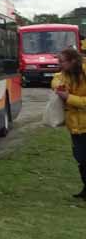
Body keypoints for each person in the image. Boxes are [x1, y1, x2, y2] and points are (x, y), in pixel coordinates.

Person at [52, 46, 86, 199]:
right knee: (80, 158)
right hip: (75, 126)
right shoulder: (65, 74)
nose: (60, 64)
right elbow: (56, 78)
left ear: (73, 61)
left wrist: (68, 98)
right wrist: (57, 86)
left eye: (62, 61)